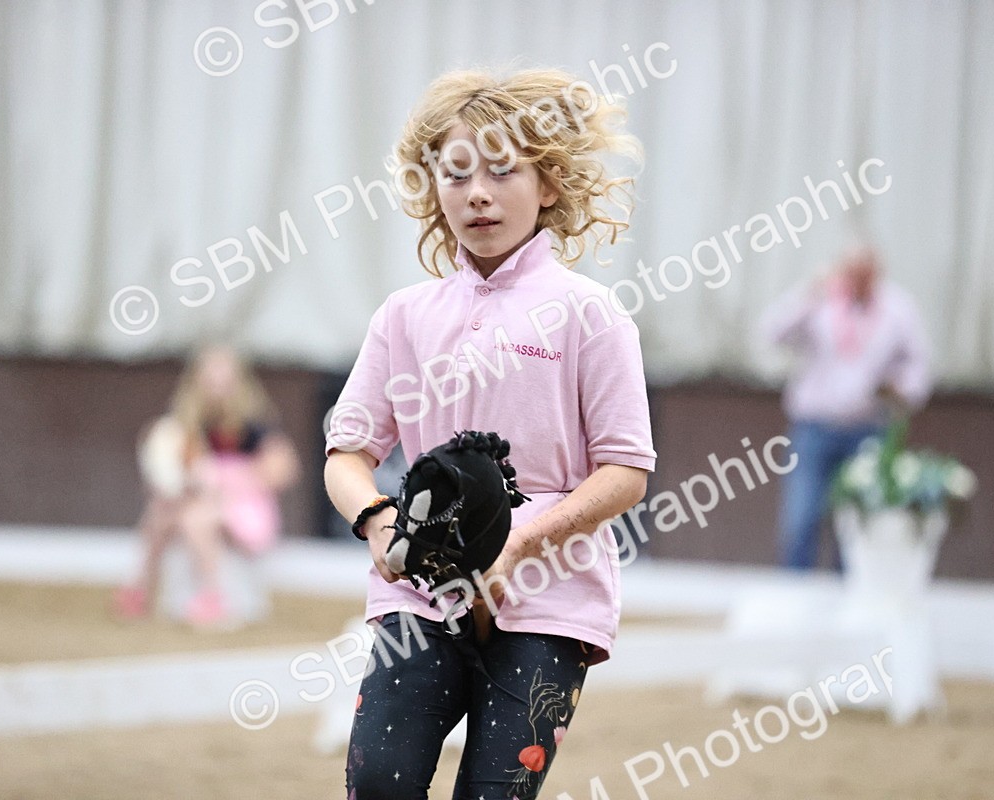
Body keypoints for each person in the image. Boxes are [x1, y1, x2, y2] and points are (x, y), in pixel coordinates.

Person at [323, 69, 655, 799]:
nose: (478, 192)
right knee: (379, 781)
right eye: (457, 172)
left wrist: (521, 542)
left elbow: (626, 470)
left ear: (550, 185)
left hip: (551, 597)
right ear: (432, 188)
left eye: (504, 171)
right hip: (421, 592)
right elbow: (347, 454)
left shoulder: (590, 316)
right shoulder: (403, 316)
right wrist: (377, 522)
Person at [760, 245, 932, 569]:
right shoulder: (819, 300)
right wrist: (809, 295)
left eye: (864, 275)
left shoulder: (898, 307)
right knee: (801, 517)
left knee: (857, 523)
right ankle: (795, 596)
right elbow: (771, 332)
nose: (857, 282)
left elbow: (918, 366)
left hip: (868, 429)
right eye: (851, 273)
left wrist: (901, 389)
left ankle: (851, 601)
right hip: (814, 427)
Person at [114, 345, 299, 626]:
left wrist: (226, 478)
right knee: (159, 515)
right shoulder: (184, 426)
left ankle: (214, 596)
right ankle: (140, 588)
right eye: (210, 377)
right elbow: (171, 471)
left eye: (224, 378)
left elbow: (282, 470)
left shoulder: (255, 425)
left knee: (196, 520)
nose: (217, 386)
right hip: (201, 501)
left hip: (244, 511)